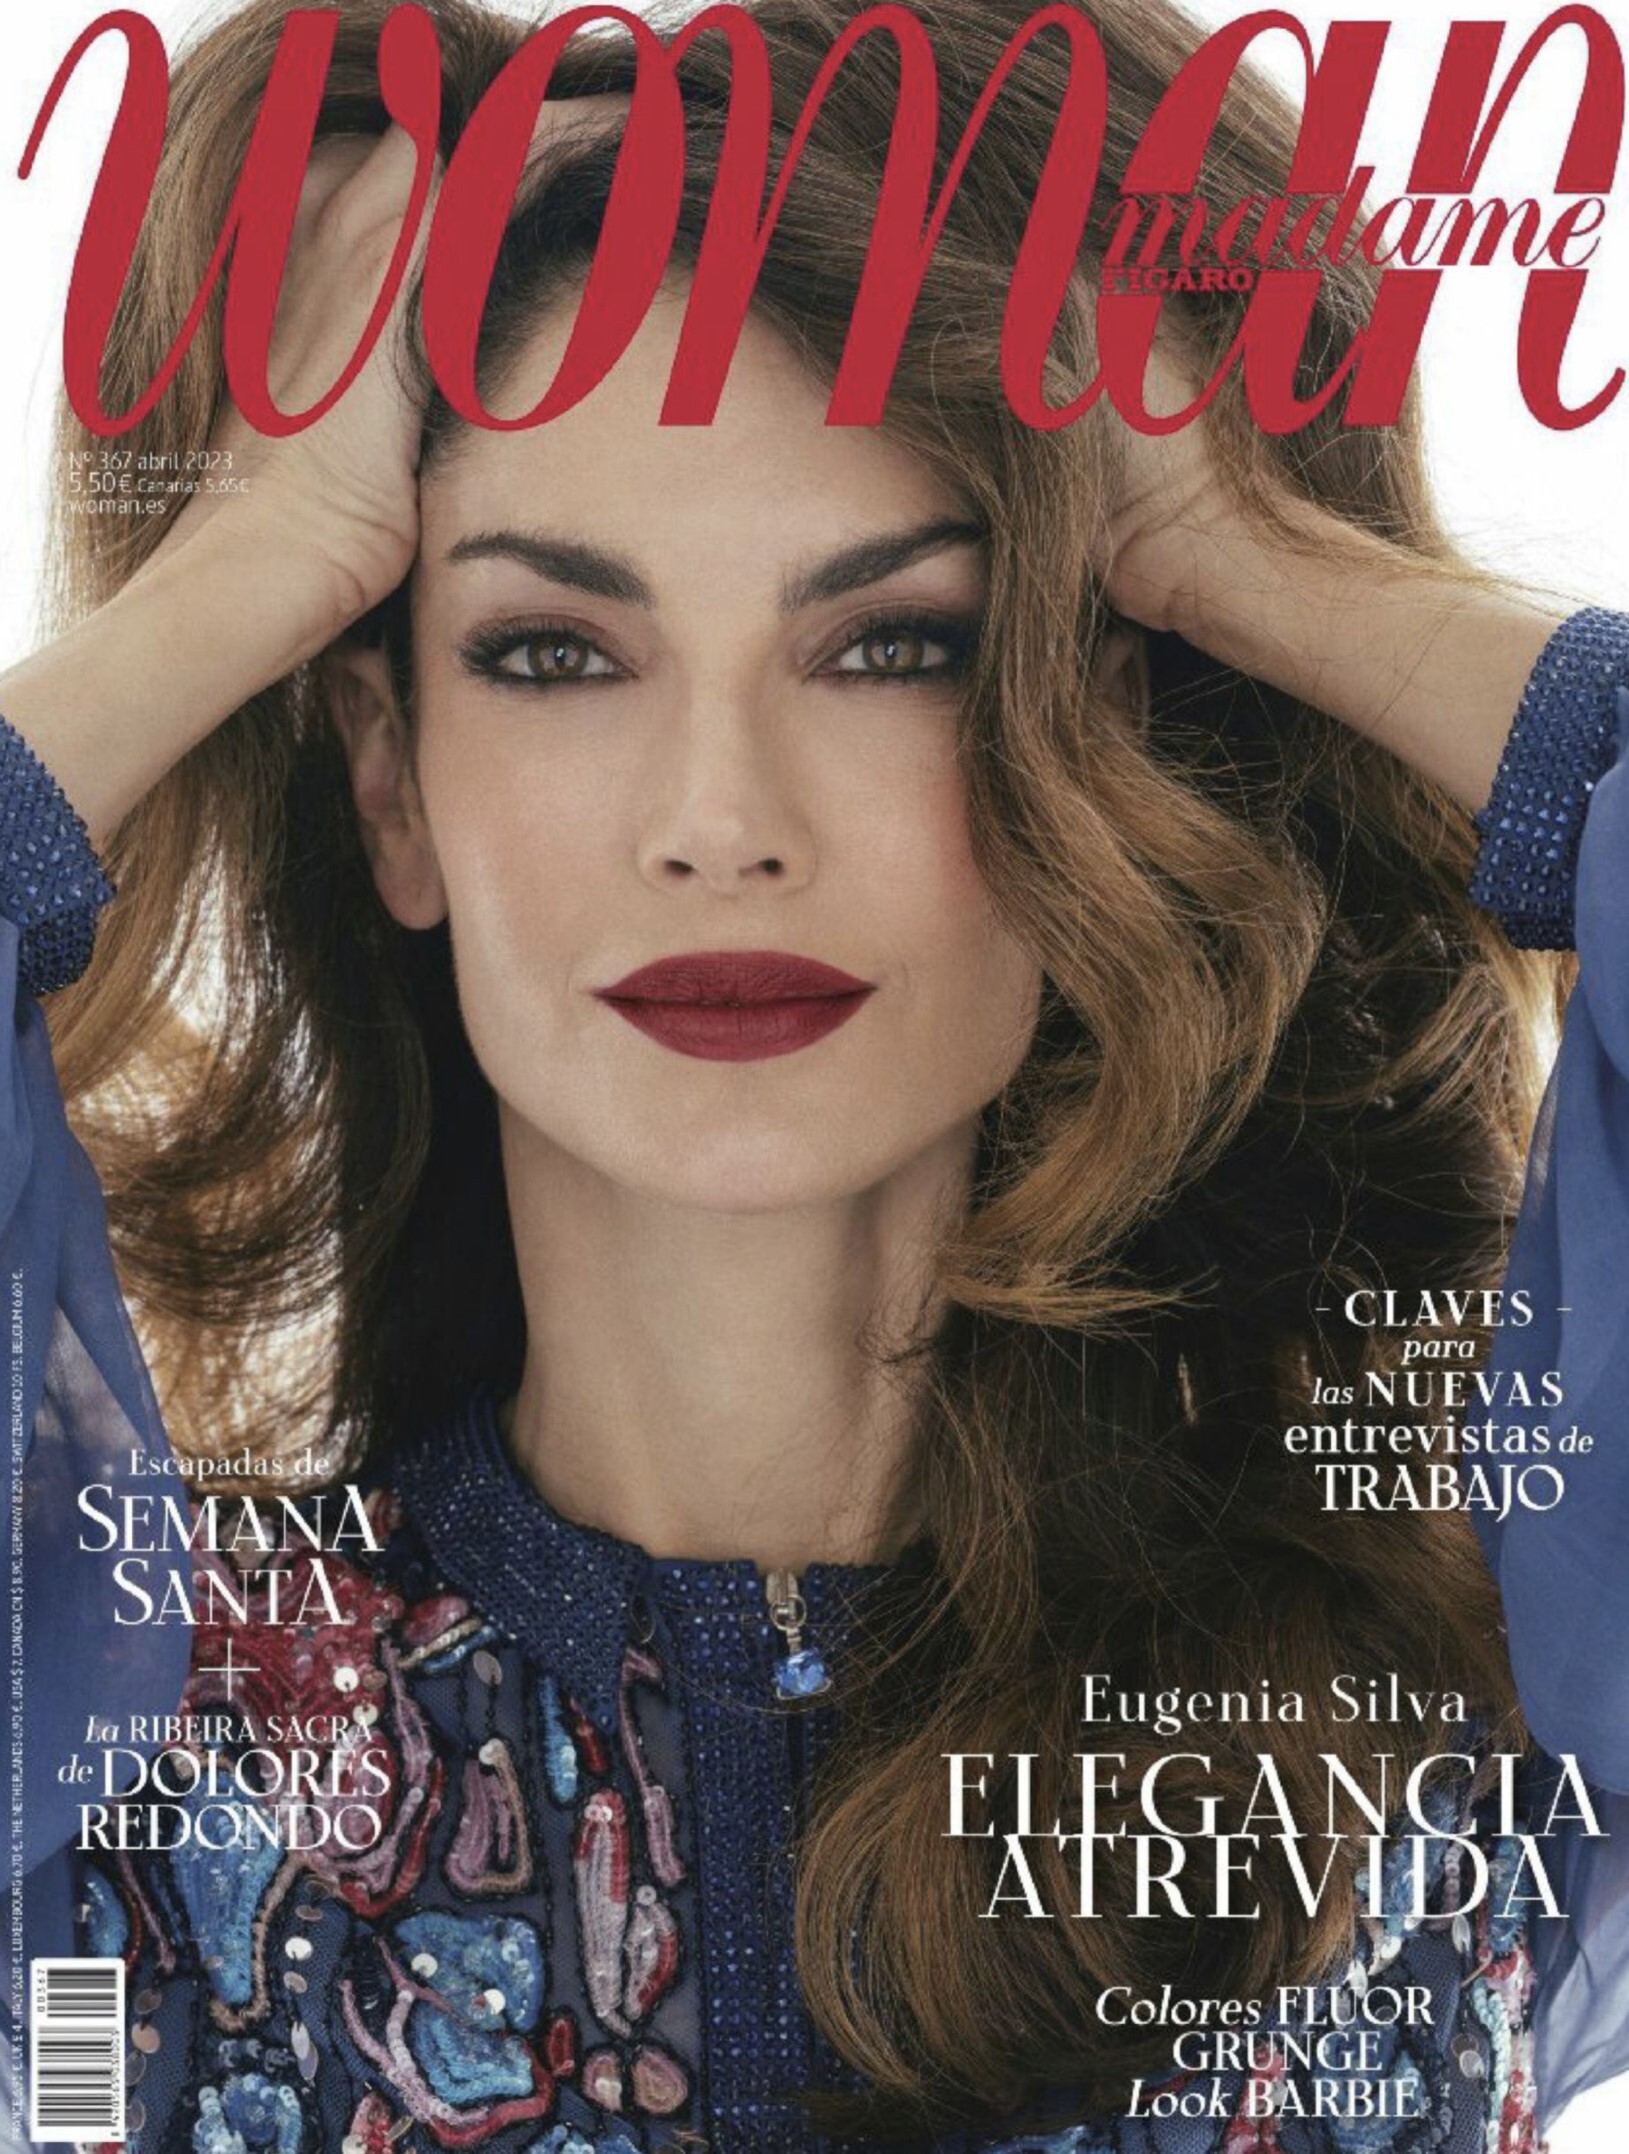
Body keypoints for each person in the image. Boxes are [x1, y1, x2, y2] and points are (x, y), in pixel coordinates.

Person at [2, 0, 1627, 2148]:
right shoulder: (128, 1770)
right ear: (392, 786)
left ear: (1101, 746)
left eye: (897, 645)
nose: (719, 820)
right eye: (552, 651)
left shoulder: (1447, 1745)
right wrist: (247, 564)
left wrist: (1242, 556)